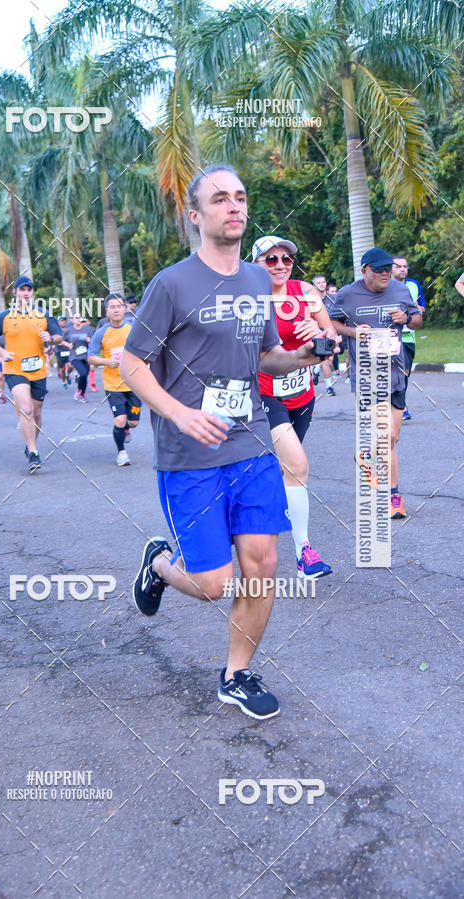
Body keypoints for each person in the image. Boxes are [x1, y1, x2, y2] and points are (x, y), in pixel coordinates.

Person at [120, 165, 326, 721]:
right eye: (219, 199)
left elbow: (264, 358)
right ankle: (160, 564)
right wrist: (179, 414)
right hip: (190, 455)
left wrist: (310, 354)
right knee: (212, 584)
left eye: (240, 196)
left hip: (252, 442)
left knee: (262, 563)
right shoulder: (172, 284)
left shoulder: (259, 281)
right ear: (196, 215)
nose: (233, 206)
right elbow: (132, 361)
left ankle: (237, 674)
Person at [254, 237, 338, 578]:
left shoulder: (304, 291)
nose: (280, 264)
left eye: (286, 258)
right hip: (264, 392)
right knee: (298, 466)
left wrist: (318, 331)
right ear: (256, 263)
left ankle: (254, 522)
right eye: (270, 259)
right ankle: (304, 551)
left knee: (285, 470)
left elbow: (331, 335)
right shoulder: (248, 298)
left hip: (302, 393)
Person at [330, 248, 422, 519]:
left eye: (388, 269)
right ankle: (394, 496)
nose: (385, 273)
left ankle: (367, 457)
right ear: (364, 270)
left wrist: (406, 319)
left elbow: (417, 320)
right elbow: (334, 323)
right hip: (368, 374)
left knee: (392, 438)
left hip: (397, 372)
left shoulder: (400, 290)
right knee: (388, 436)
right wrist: (353, 332)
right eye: (379, 269)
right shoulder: (348, 294)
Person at [0, 275, 63, 472]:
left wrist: (51, 338)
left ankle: (30, 445)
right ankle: (34, 452)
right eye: (22, 290)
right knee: (26, 409)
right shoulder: (5, 316)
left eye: (29, 290)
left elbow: (59, 336)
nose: (26, 293)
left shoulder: (44, 314)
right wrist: (2, 352)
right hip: (14, 369)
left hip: (38, 370)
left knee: (37, 414)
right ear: (15, 293)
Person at [88, 293, 141, 466]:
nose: (116, 310)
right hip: (113, 384)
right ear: (107, 312)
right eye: (112, 307)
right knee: (119, 419)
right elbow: (91, 357)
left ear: (125, 309)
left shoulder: (134, 328)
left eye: (119, 306)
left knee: (133, 422)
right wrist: (107, 361)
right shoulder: (101, 333)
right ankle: (122, 453)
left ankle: (126, 428)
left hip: (134, 382)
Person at [392, 256, 425, 420]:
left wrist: (419, 310)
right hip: (390, 336)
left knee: (405, 371)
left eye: (405, 266)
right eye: (398, 266)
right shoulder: (384, 285)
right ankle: (401, 406)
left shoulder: (414, 285)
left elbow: (421, 307)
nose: (402, 269)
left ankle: (397, 402)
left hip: (408, 336)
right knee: (397, 370)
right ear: (391, 268)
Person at [312, 275, 340, 385]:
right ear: (314, 285)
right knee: (325, 360)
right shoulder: (312, 300)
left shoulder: (333, 299)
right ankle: (329, 387)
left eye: (323, 282)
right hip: (318, 333)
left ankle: (316, 370)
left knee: (329, 359)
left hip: (332, 332)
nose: (321, 284)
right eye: (318, 283)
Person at [62, 313, 93, 403]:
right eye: (76, 318)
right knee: (82, 373)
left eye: (79, 318)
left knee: (85, 375)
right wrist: (68, 344)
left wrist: (89, 341)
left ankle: (82, 395)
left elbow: (91, 340)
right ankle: (79, 390)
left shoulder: (86, 330)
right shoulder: (69, 331)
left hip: (85, 356)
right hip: (74, 357)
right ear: (72, 320)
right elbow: (62, 341)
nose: (78, 319)